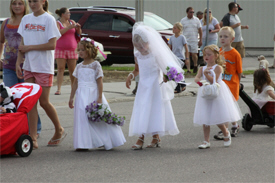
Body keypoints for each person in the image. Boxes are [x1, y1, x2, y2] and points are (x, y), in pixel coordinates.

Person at [16, 0, 66, 149]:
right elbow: (22, 43)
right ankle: (33, 137)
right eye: (30, 1)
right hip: (29, 66)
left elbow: (52, 45)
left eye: (35, 1)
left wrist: (30, 48)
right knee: (30, 103)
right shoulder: (26, 19)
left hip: (44, 66)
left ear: (43, 2)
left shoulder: (49, 19)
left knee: (44, 102)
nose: (32, 4)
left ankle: (59, 129)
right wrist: (19, 61)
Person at [126, 22, 182, 150]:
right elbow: (137, 70)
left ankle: (144, 137)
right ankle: (153, 137)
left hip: (155, 85)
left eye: (142, 46)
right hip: (143, 86)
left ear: (149, 42)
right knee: (144, 110)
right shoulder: (138, 55)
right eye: (138, 47)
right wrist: (131, 76)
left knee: (154, 110)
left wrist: (167, 76)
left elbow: (165, 68)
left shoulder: (155, 54)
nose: (141, 49)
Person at [69, 37, 126, 150]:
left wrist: (99, 97)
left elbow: (99, 82)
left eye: (82, 49)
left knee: (98, 118)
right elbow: (75, 82)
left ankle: (105, 140)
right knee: (82, 118)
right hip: (81, 94)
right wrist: (71, 97)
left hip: (93, 93)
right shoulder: (79, 66)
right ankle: (83, 144)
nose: (79, 52)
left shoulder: (96, 65)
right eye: (79, 49)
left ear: (89, 50)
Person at [0, 0, 41, 137]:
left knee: (27, 99)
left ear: (25, 6)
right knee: (10, 97)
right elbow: (1, 41)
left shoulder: (29, 21)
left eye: (20, 3)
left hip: (27, 66)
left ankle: (36, 128)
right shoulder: (6, 22)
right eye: (14, 3)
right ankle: (16, 127)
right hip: (8, 66)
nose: (17, 6)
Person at [193, 44, 242, 149]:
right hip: (206, 93)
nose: (206, 57)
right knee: (205, 117)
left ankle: (226, 133)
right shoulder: (202, 68)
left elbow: (213, 80)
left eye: (209, 54)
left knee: (217, 117)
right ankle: (206, 141)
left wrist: (206, 75)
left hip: (217, 93)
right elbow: (196, 78)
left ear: (216, 56)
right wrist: (200, 82)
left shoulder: (218, 67)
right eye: (204, 54)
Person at [214, 26, 243, 140]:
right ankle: (234, 125)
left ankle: (224, 131)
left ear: (232, 39)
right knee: (226, 107)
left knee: (228, 107)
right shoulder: (219, 52)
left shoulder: (235, 54)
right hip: (222, 84)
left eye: (226, 36)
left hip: (232, 84)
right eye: (221, 36)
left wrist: (238, 83)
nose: (222, 39)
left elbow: (239, 71)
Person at [54, 7, 82, 95]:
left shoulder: (72, 22)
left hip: (72, 49)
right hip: (60, 49)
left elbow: (79, 33)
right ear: (63, 14)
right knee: (60, 69)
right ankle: (58, 88)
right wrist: (69, 27)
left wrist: (78, 28)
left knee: (72, 70)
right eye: (68, 13)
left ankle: (73, 88)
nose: (69, 14)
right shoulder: (57, 23)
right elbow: (58, 33)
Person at [220, 2, 248, 78]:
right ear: (233, 8)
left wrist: (244, 27)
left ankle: (240, 72)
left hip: (240, 39)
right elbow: (225, 28)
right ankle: (228, 71)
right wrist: (235, 25)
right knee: (230, 57)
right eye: (237, 8)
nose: (238, 10)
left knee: (240, 56)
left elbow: (238, 26)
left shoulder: (236, 16)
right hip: (232, 41)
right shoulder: (227, 17)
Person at [168, 22, 190, 93]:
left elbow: (186, 48)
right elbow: (169, 48)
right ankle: (182, 84)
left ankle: (178, 88)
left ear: (179, 29)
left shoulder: (182, 37)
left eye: (175, 28)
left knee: (177, 72)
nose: (173, 29)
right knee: (176, 72)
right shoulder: (171, 38)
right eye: (173, 28)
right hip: (174, 57)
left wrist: (187, 58)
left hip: (180, 57)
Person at [180, 7, 202, 73]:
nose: (192, 13)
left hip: (194, 39)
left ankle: (195, 65)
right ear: (187, 12)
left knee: (194, 54)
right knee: (187, 54)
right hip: (186, 40)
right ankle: (188, 69)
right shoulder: (183, 20)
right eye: (190, 12)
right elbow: (181, 30)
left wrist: (200, 39)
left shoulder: (196, 20)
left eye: (193, 12)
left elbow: (200, 30)